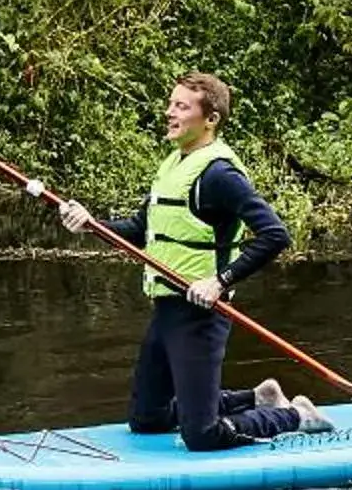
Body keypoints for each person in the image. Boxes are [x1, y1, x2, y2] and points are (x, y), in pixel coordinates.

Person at [58, 72, 334, 450]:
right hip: (167, 308)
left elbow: (275, 235)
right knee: (147, 419)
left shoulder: (219, 175)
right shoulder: (173, 164)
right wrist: (91, 225)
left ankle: (296, 415)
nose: (169, 112)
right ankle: (257, 397)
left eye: (181, 106)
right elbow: (142, 228)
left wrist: (220, 281)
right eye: (171, 104)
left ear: (211, 119)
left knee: (202, 435)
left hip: (201, 315)